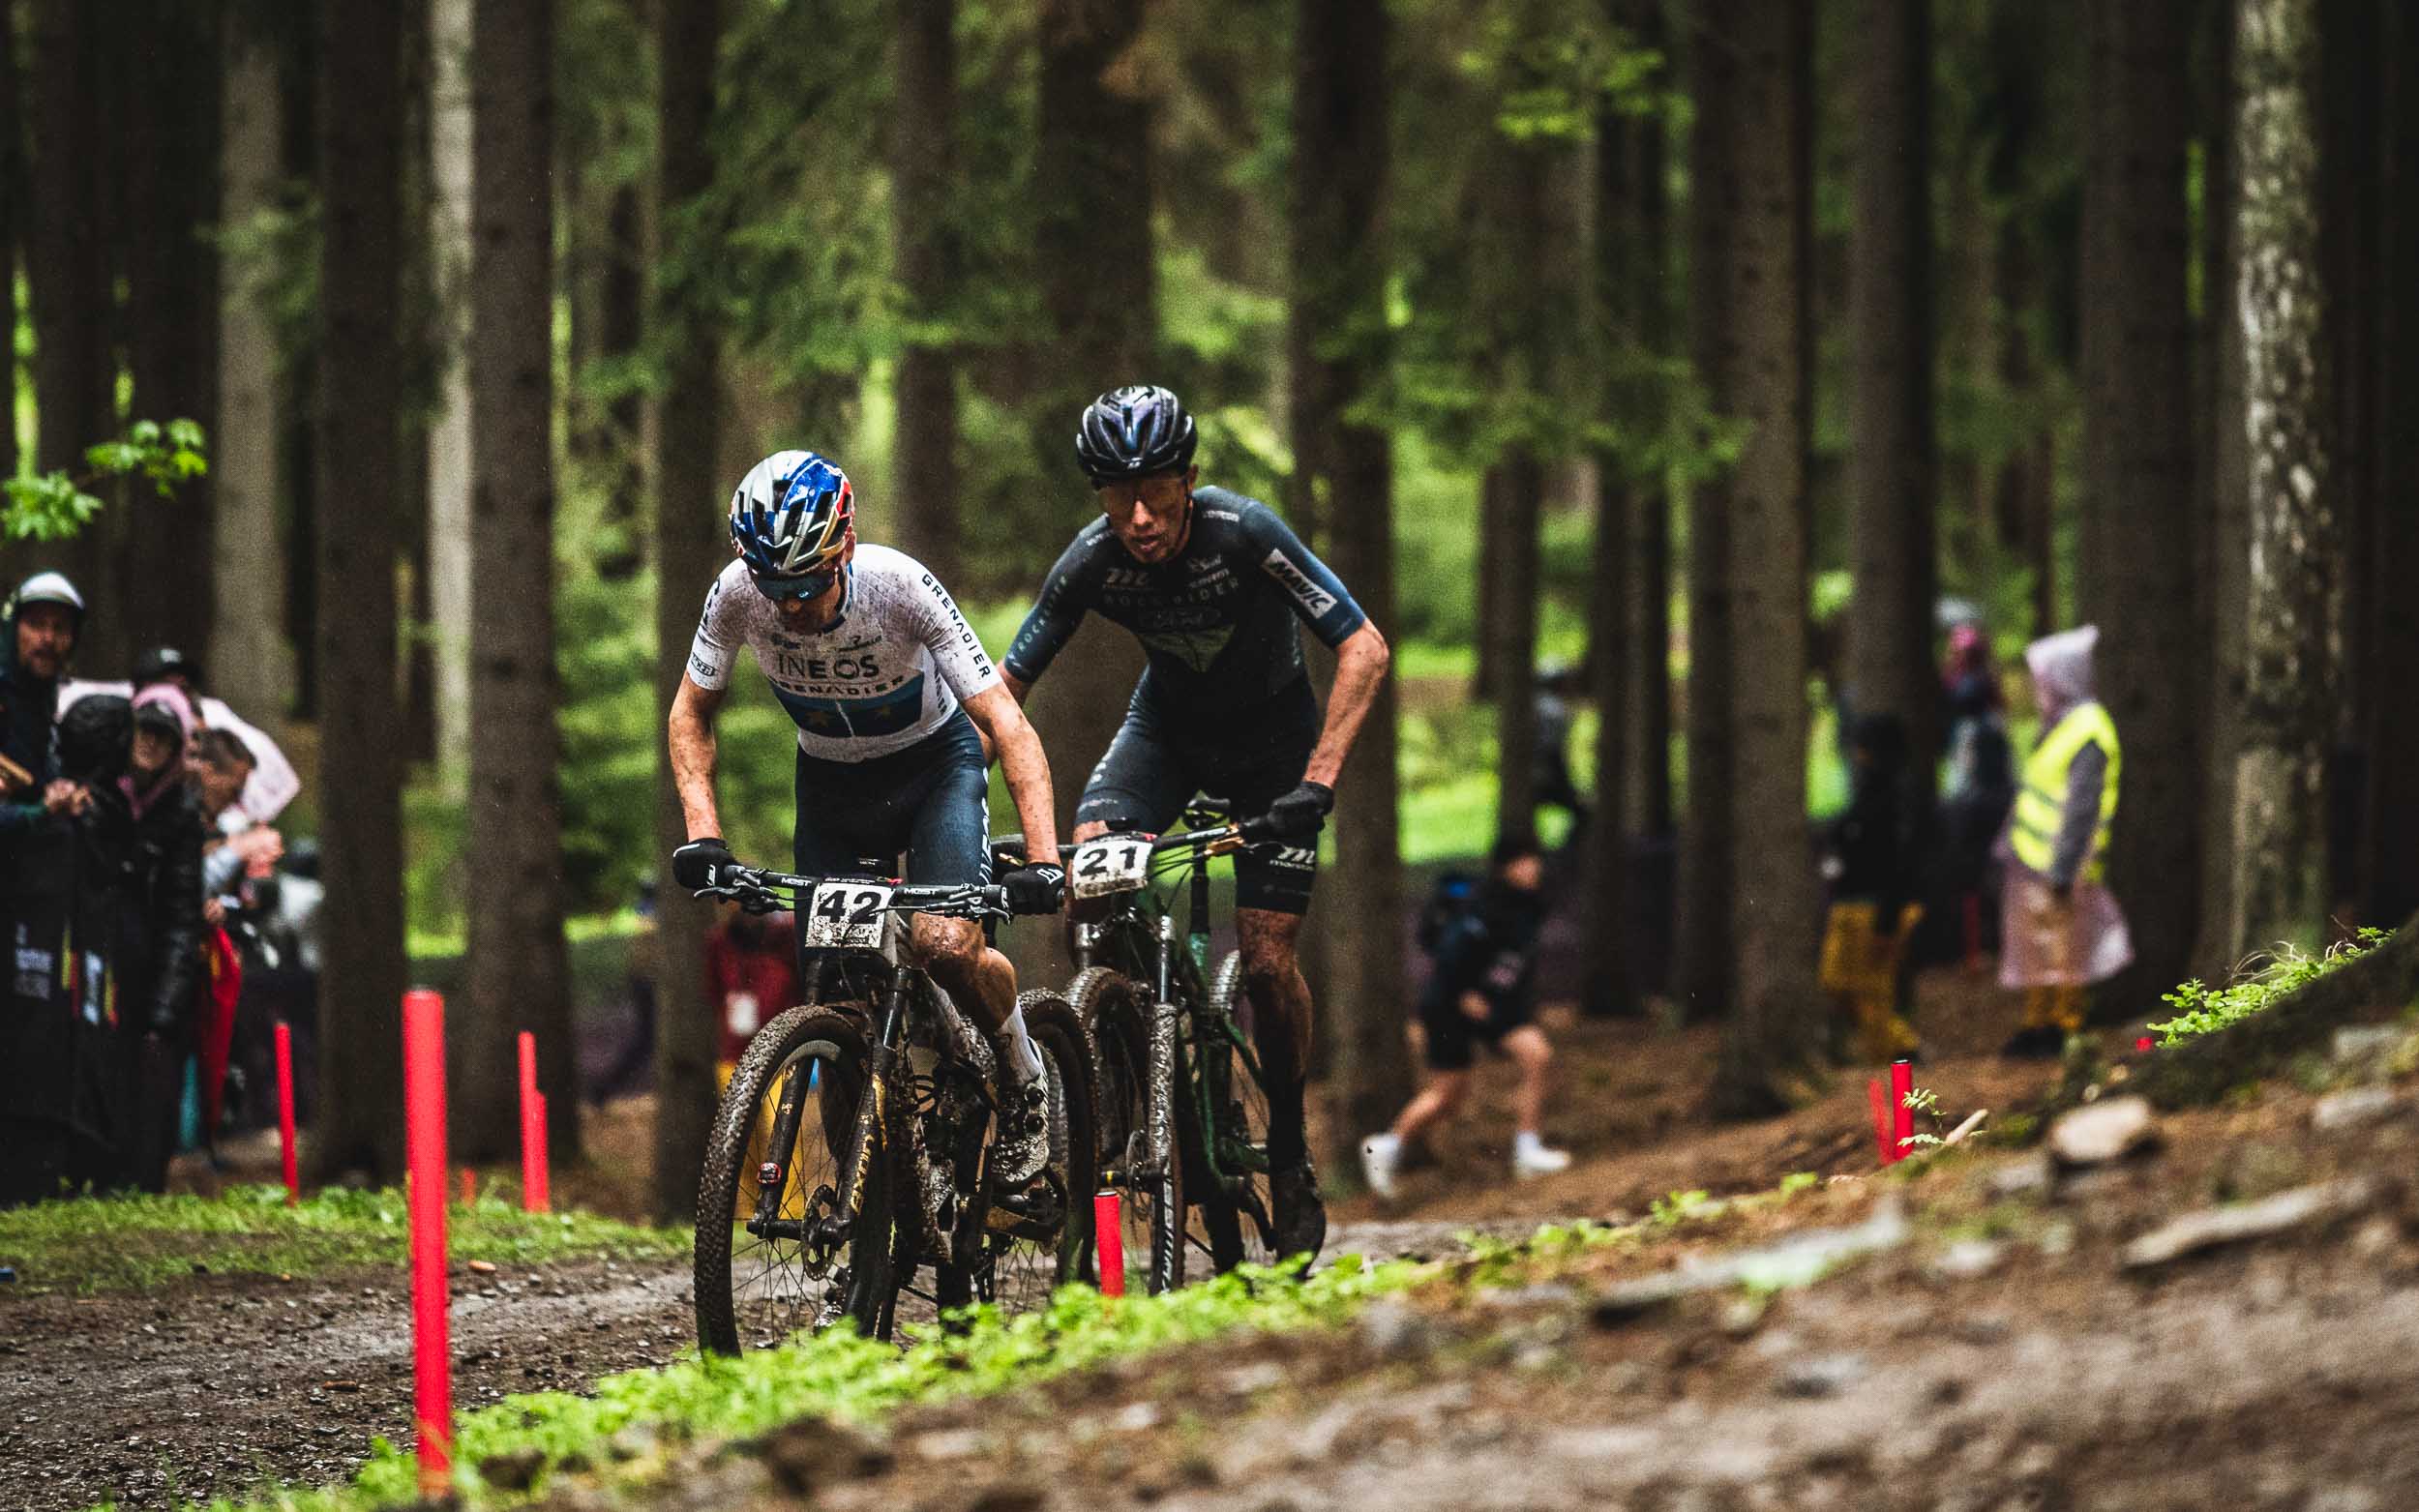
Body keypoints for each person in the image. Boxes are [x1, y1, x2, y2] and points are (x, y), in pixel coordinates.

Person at [1001, 384, 1392, 1260]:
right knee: (1087, 889)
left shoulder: (1244, 532)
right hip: (1166, 735)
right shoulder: (1091, 561)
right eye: (1116, 496)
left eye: (1158, 493)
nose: (1139, 517)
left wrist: (1318, 783)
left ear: (1189, 479)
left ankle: (1287, 1147)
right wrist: (955, 810)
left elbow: (1364, 648)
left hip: (1274, 750)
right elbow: (1004, 691)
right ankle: (1137, 1052)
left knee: (1264, 959)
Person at [668, 449, 1069, 1183]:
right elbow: (691, 710)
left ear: (844, 545)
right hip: (830, 786)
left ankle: (1021, 1072)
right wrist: (705, 834)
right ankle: (870, 1221)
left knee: (945, 945)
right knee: (833, 987)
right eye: (775, 585)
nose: (791, 607)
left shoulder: (900, 587)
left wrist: (1043, 859)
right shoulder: (734, 595)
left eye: (809, 583)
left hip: (933, 770)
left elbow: (1008, 725)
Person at [1360, 836, 1570, 1200]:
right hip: (1450, 1005)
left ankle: (1527, 1149)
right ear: (1506, 867)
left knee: (1538, 1058)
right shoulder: (1484, 905)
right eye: (1524, 861)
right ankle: (1387, 1147)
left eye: (1534, 860)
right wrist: (1464, 993)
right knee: (1447, 1097)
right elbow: (1451, 953)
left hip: (1492, 1004)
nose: (1532, 868)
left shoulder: (1530, 904)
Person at [1997, 625, 2133, 1057]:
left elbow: (2082, 808)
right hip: (2036, 863)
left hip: (2061, 867)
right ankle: (2039, 1024)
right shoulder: (2064, 725)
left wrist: (2064, 867)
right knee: (2040, 951)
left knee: (2062, 952)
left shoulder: (2087, 730)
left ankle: (2063, 1027)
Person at [1818, 713, 1926, 1061]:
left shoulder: (1896, 798)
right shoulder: (1867, 793)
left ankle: (1901, 1052)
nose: (1857, 756)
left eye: (1862, 749)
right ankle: (1894, 1048)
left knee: (1874, 990)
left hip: (1877, 908)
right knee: (1838, 982)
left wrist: (1888, 921)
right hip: (1852, 905)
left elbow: (1899, 863)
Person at [0, 573, 89, 838]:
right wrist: (39, 812)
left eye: (60, 628)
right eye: (36, 625)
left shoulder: (47, 703)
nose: (48, 638)